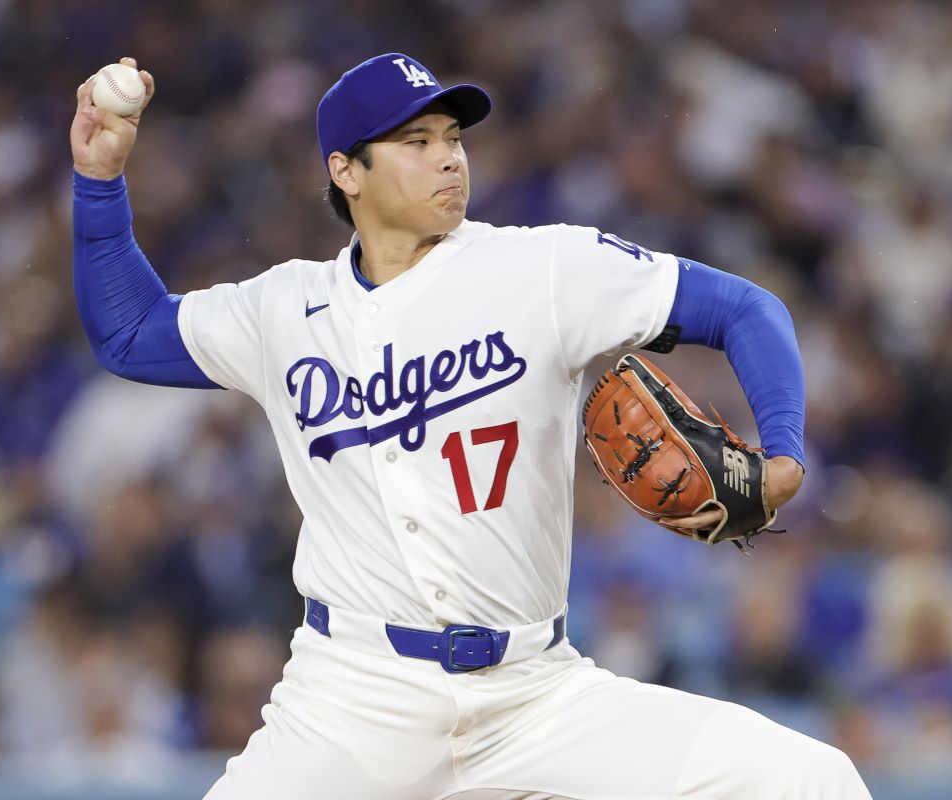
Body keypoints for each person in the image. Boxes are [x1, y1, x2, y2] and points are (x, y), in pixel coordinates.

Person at [71, 53, 872, 799]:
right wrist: (99, 181)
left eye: (453, 137)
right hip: (352, 699)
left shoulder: (543, 269)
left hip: (535, 694)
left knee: (810, 780)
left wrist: (785, 450)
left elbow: (745, 309)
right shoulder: (283, 308)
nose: (450, 158)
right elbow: (130, 333)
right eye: (415, 142)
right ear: (345, 171)